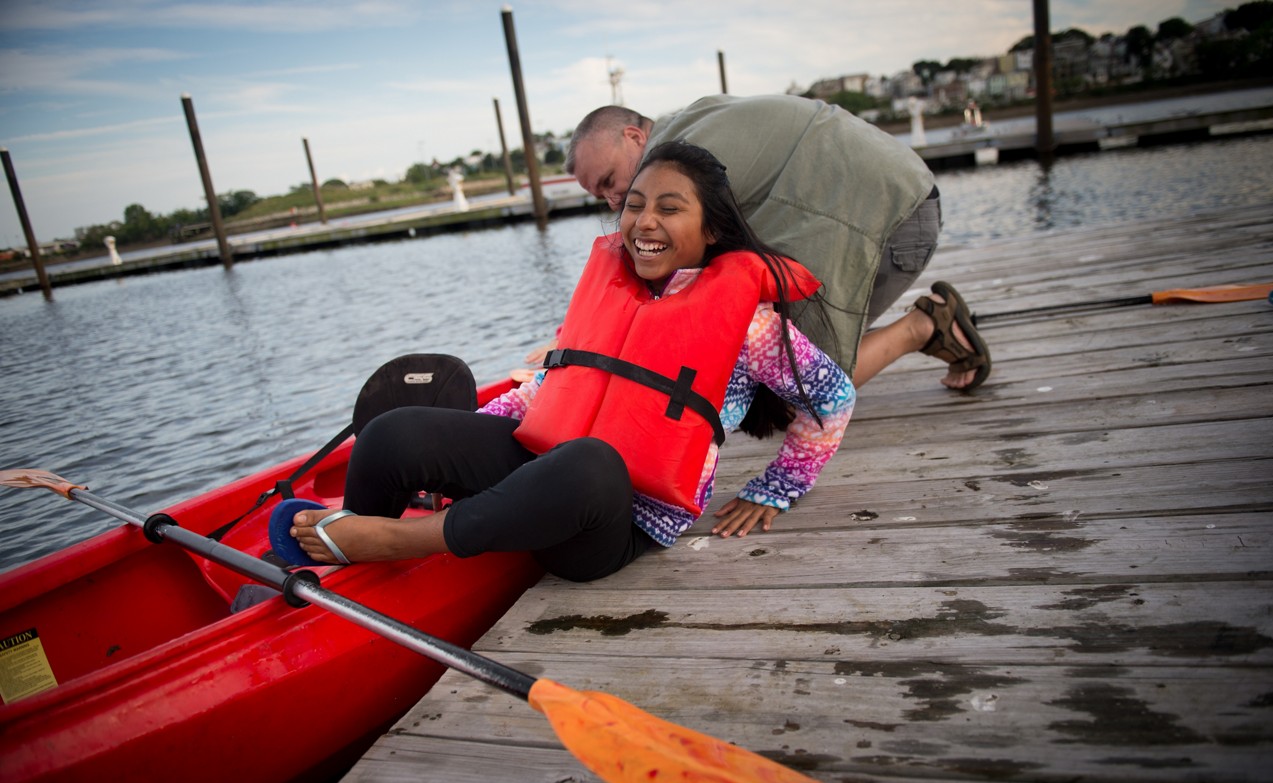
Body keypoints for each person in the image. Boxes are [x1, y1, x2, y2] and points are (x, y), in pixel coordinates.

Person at [288, 141, 855, 582]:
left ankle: (394, 540)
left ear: (710, 230)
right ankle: (348, 563)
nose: (645, 222)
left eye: (669, 208)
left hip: (610, 520)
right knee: (395, 433)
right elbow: (551, 389)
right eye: (634, 206)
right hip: (541, 469)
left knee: (589, 461)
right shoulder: (612, 294)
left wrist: (777, 488)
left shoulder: (749, 325)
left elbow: (834, 399)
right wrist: (458, 449)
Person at [564, 95, 990, 392]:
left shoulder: (681, 162)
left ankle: (926, 325)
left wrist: (581, 339)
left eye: (608, 180)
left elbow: (674, 277)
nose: (614, 200)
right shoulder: (693, 122)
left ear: (635, 137)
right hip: (901, 197)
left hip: (897, 220)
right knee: (762, 351)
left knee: (792, 388)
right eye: (599, 195)